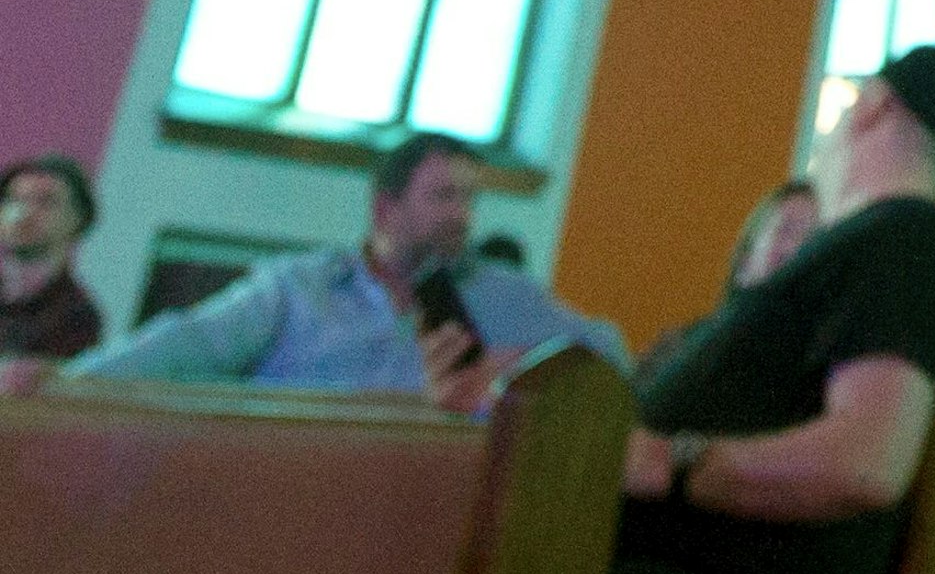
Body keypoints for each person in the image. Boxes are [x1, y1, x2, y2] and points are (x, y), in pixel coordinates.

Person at [577, 48, 935, 574]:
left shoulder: (904, 239)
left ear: (872, 105)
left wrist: (668, 461)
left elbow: (866, 461)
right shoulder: (878, 245)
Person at [57, 131, 622, 401]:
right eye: (445, 197)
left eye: (471, 201)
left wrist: (533, 363)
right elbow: (186, 346)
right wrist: (62, 386)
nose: (464, 217)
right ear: (386, 206)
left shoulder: (503, 295)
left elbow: (612, 357)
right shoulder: (299, 288)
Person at [635, 180, 824, 386]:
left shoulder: (821, 371)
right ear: (745, 259)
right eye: (784, 230)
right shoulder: (683, 350)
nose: (795, 248)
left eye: (810, 237)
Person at [0, 154, 104, 364]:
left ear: (78, 218)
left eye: (45, 202)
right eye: (14, 199)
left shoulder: (77, 316)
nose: (23, 213)